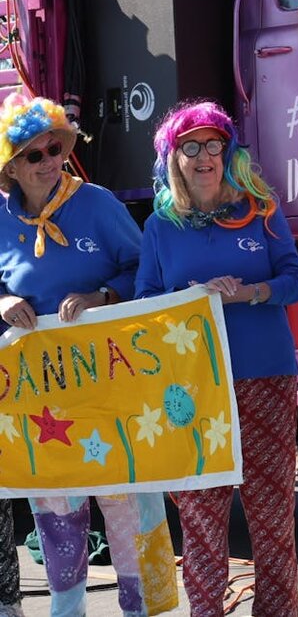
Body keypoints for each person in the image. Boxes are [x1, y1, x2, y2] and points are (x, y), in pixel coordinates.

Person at [0, 92, 177, 617]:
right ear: (10, 165)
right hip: (43, 400)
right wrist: (3, 300)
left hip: (112, 388)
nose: (50, 161)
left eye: (56, 148)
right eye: (35, 154)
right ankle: (66, 610)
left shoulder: (97, 203)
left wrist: (103, 298)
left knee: (127, 510)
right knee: (57, 514)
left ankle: (141, 609)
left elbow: (147, 272)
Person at [135, 99, 298, 617]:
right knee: (202, 516)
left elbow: (294, 283)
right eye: (192, 147)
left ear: (228, 153)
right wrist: (189, 298)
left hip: (263, 376)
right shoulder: (160, 226)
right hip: (192, 387)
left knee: (271, 512)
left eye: (215, 145)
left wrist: (248, 293)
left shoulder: (261, 207)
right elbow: (145, 301)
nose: (205, 156)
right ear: (175, 158)